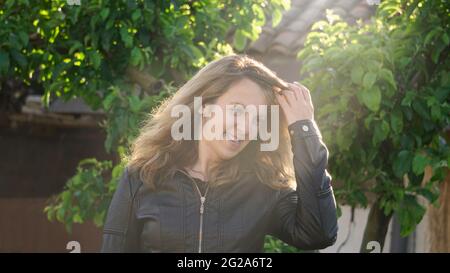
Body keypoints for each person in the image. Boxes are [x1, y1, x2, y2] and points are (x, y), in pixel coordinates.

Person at [100, 54, 338, 252]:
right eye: (237, 110)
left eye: (257, 118)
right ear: (204, 107)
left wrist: (304, 128)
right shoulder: (142, 177)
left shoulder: (263, 186)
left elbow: (319, 234)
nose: (246, 128)